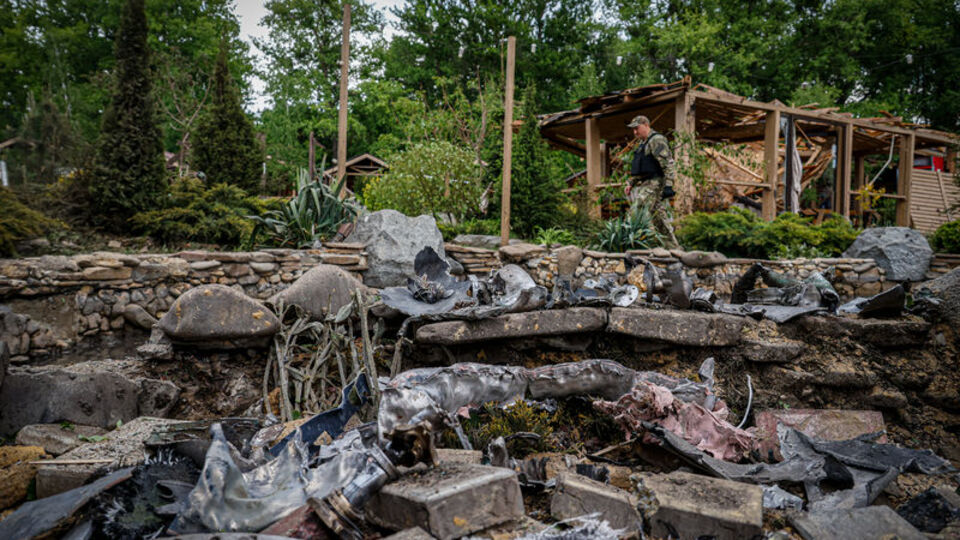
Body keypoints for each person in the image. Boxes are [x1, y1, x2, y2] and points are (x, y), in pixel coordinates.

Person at [625, 114, 680, 248]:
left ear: (646, 125)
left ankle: (633, 245)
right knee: (658, 217)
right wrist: (631, 184)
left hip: (655, 182)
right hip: (646, 182)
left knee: (637, 209)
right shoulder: (643, 144)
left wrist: (669, 186)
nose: (635, 132)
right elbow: (641, 168)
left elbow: (667, 164)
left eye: (637, 128)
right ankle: (673, 247)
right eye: (633, 129)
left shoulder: (657, 140)